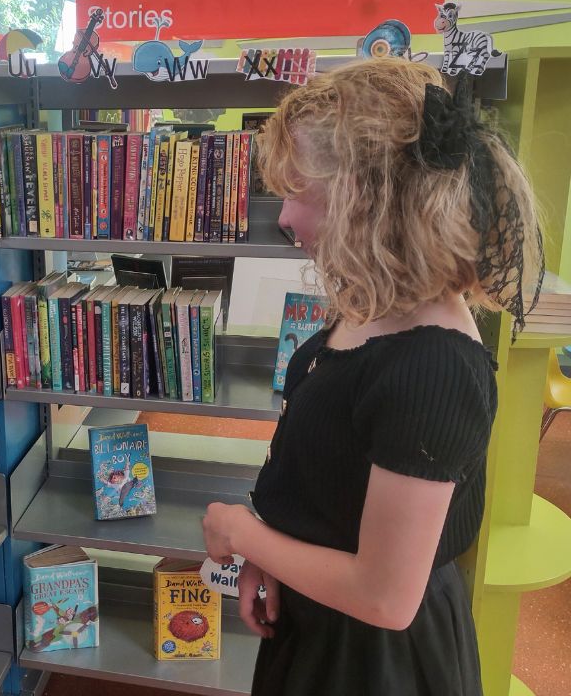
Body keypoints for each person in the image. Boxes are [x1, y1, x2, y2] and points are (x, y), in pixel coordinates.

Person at [202, 57, 544, 695]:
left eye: (301, 191)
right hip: (317, 625)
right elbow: (332, 481)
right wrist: (272, 553)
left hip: (372, 664)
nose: (285, 218)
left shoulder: (434, 364)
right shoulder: (374, 305)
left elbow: (387, 597)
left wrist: (239, 531)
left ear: (370, 198)